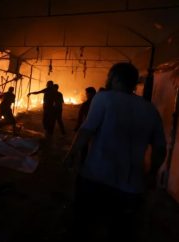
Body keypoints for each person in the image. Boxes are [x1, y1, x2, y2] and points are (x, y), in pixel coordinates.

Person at [64, 63, 167, 242]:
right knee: (121, 231)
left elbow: (86, 130)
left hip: (97, 178)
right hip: (130, 186)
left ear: (115, 78)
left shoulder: (104, 98)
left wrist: (71, 154)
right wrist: (151, 174)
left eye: (109, 76)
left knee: (84, 226)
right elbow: (160, 148)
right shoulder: (150, 109)